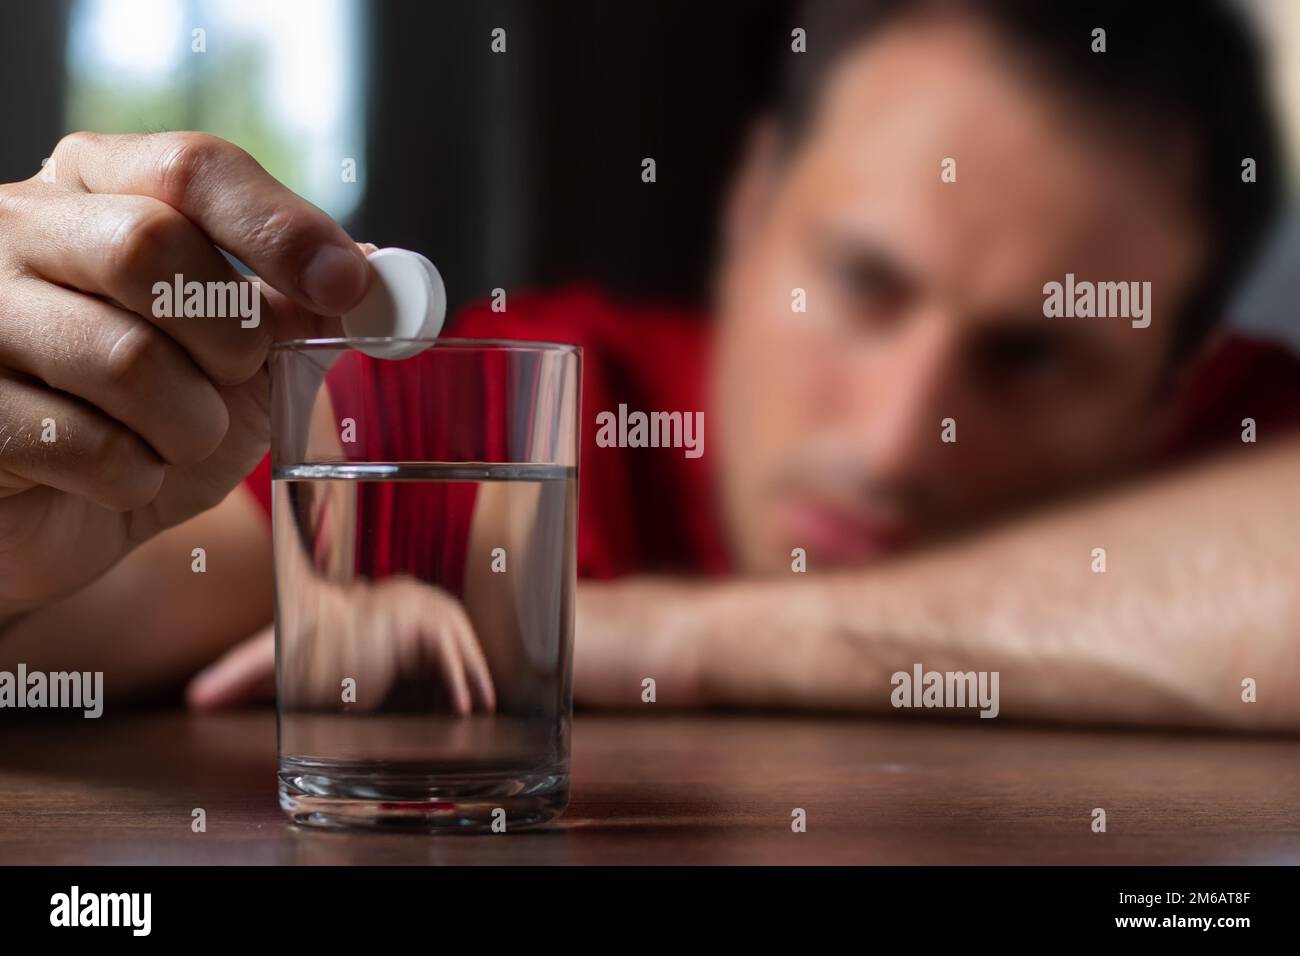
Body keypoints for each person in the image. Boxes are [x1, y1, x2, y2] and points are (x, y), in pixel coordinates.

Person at [1, 0, 1297, 727]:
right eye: (861, 283)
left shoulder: (1247, 436)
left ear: (1174, 387)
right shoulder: (516, 409)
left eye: (1033, 356)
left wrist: (649, 636)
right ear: (745, 215)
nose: (904, 436)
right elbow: (93, 602)